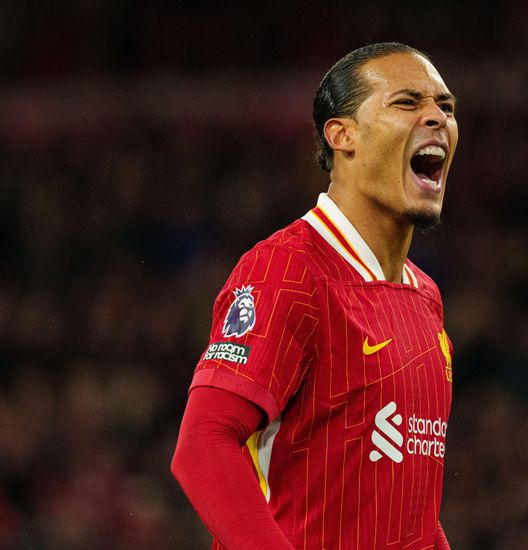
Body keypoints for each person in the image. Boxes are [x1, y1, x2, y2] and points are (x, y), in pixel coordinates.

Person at [171, 42, 459, 549]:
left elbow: (410, 511)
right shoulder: (287, 270)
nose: (436, 117)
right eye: (408, 102)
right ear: (341, 134)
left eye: (445, 106)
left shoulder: (425, 298)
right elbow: (202, 446)